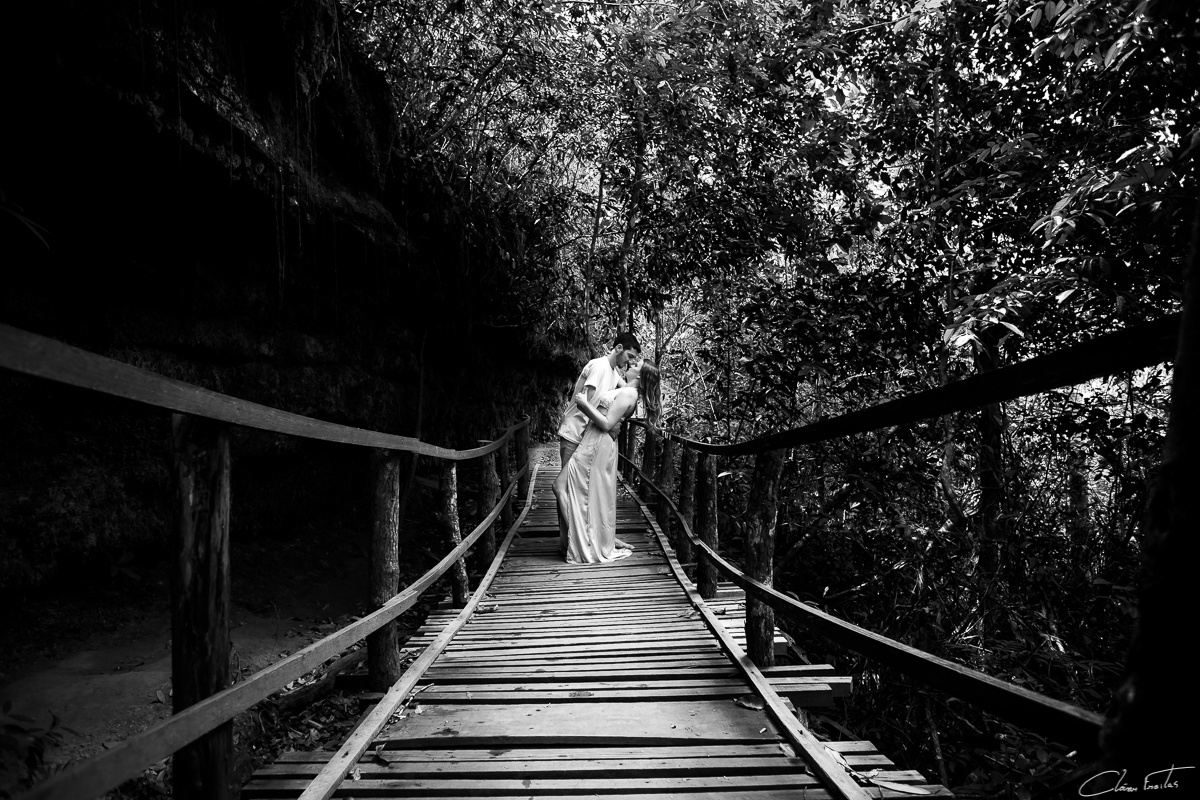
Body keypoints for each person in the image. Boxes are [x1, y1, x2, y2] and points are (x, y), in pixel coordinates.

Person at [557, 361, 661, 565]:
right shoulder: (627, 389)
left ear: (639, 375)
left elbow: (606, 423)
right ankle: (590, 539)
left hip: (596, 444)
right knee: (581, 493)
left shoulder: (629, 394)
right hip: (592, 441)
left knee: (560, 486)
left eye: (637, 364)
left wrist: (584, 404)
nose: (633, 363)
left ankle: (586, 542)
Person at [553, 332, 642, 555]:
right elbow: (587, 402)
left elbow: (627, 392)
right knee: (567, 489)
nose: (630, 361)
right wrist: (609, 425)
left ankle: (590, 540)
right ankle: (576, 542)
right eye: (629, 355)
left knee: (582, 492)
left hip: (588, 438)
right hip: (575, 433)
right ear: (618, 348)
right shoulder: (600, 366)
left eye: (634, 359)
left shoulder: (612, 372)